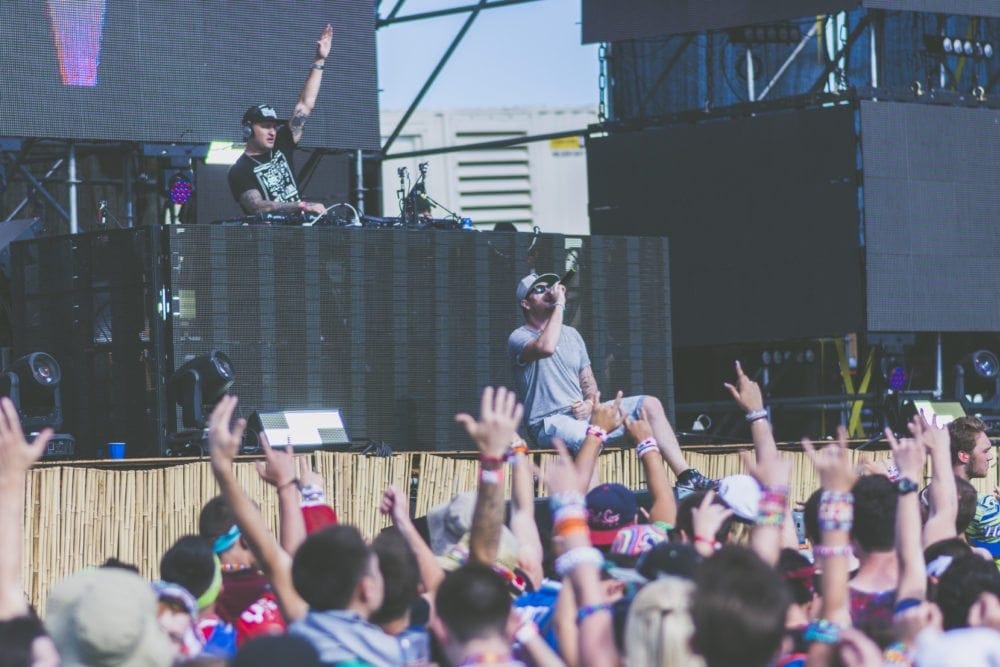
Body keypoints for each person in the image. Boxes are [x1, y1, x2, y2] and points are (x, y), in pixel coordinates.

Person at [507, 271, 713, 495]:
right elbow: (545, 347)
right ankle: (595, 506)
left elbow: (589, 382)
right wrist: (560, 305)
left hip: (582, 416)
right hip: (547, 422)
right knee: (588, 435)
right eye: (538, 289)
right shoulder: (519, 337)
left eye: (548, 286)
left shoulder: (572, 335)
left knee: (649, 405)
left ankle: (686, 476)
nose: (547, 290)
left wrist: (590, 401)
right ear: (526, 304)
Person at [227, 24, 333, 217]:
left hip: (300, 231)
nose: (272, 132)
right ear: (248, 130)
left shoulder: (282, 142)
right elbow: (257, 206)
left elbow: (305, 105)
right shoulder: (240, 170)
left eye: (274, 127)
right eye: (265, 127)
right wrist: (299, 206)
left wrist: (319, 60)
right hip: (271, 241)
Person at [948, 416, 1000, 557]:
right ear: (964, 456)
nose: (990, 457)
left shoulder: (930, 494)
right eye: (985, 451)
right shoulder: (984, 507)